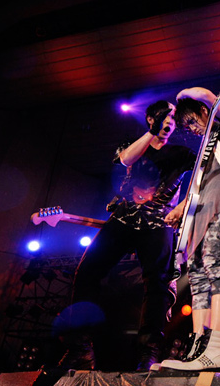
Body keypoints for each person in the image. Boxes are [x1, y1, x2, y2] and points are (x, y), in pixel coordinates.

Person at [56, 100, 195, 372]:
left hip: (158, 222)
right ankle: (80, 348)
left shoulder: (181, 153)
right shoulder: (133, 145)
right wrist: (151, 133)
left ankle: (149, 352)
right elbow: (125, 160)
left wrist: (184, 204)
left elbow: (205, 173)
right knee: (87, 272)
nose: (169, 122)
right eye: (164, 117)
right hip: (123, 218)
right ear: (151, 119)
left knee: (157, 283)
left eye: (172, 118)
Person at [158, 86, 220, 371]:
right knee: (197, 278)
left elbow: (206, 95)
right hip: (198, 218)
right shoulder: (204, 153)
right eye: (187, 127)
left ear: (204, 112)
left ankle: (217, 346)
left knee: (218, 268)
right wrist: (180, 208)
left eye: (193, 122)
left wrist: (181, 96)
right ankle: (198, 346)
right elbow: (198, 186)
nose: (192, 129)